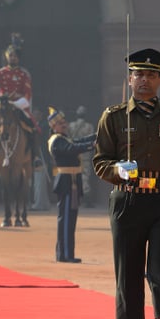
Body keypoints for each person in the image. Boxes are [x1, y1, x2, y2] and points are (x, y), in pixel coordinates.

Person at [93, 48, 160, 319]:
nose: (144, 80)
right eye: (138, 74)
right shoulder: (114, 117)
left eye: (150, 75)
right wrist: (119, 170)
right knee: (128, 274)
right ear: (129, 78)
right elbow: (99, 162)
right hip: (128, 200)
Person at [46, 107, 94, 263]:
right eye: (60, 123)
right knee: (66, 220)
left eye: (64, 122)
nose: (64, 124)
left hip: (72, 181)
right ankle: (65, 254)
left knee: (70, 219)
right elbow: (72, 148)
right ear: (54, 126)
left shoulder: (63, 138)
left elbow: (78, 142)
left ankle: (67, 253)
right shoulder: (56, 141)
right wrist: (93, 145)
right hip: (66, 182)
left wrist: (97, 137)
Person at [68, 106, 96, 207]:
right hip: (85, 155)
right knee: (85, 177)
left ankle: (75, 199)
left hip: (73, 154)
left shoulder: (70, 125)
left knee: (73, 177)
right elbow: (92, 141)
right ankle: (87, 199)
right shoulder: (89, 126)